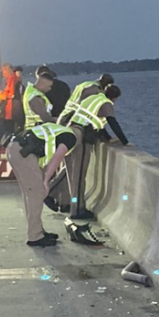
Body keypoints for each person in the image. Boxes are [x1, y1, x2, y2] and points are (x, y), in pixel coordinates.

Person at [56, 83, 128, 220]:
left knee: (71, 172)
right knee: (79, 175)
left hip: (70, 131)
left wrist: (106, 137)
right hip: (82, 135)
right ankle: (77, 210)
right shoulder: (106, 104)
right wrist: (125, 141)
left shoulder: (93, 98)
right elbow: (113, 123)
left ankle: (67, 203)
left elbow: (95, 122)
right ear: (115, 97)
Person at [7, 122, 77, 246]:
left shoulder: (57, 129)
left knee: (29, 193)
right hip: (24, 154)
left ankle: (38, 230)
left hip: (14, 148)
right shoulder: (71, 138)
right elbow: (57, 158)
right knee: (36, 194)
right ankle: (35, 236)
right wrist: (46, 181)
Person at [0, 64, 22, 159]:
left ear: (7, 70)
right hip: (13, 115)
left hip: (8, 114)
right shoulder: (15, 80)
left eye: (3, 71)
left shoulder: (12, 79)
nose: (2, 73)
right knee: (10, 137)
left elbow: (8, 96)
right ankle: (12, 158)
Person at [17, 65, 56, 132]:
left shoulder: (30, 91)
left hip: (31, 130)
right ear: (43, 84)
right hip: (37, 132)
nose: (50, 89)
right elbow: (45, 118)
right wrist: (58, 121)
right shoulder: (37, 98)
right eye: (49, 86)